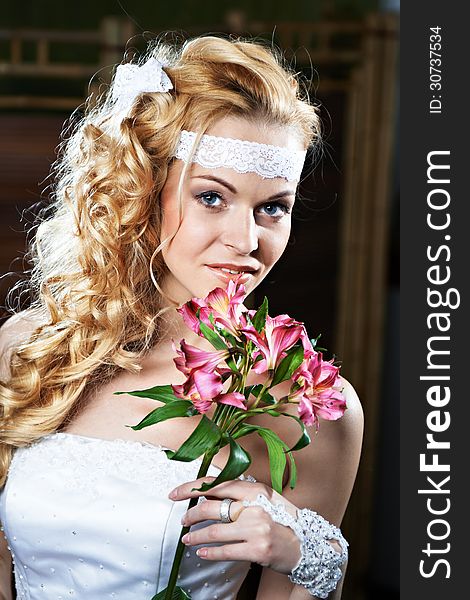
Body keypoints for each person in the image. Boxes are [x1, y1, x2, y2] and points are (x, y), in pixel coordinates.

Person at [0, 34, 363, 600]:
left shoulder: (308, 402)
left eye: (273, 207)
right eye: (212, 198)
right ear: (146, 191)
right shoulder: (31, 350)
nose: (246, 241)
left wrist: (303, 554)